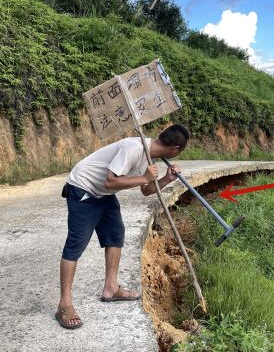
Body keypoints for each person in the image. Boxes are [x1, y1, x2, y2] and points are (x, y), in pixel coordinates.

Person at [55, 124, 190, 329]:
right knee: (76, 244)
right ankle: (64, 304)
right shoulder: (134, 148)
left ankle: (111, 287)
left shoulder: (148, 155)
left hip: (103, 194)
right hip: (83, 187)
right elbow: (111, 181)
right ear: (175, 150)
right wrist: (144, 177)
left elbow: (146, 190)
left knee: (116, 234)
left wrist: (166, 179)